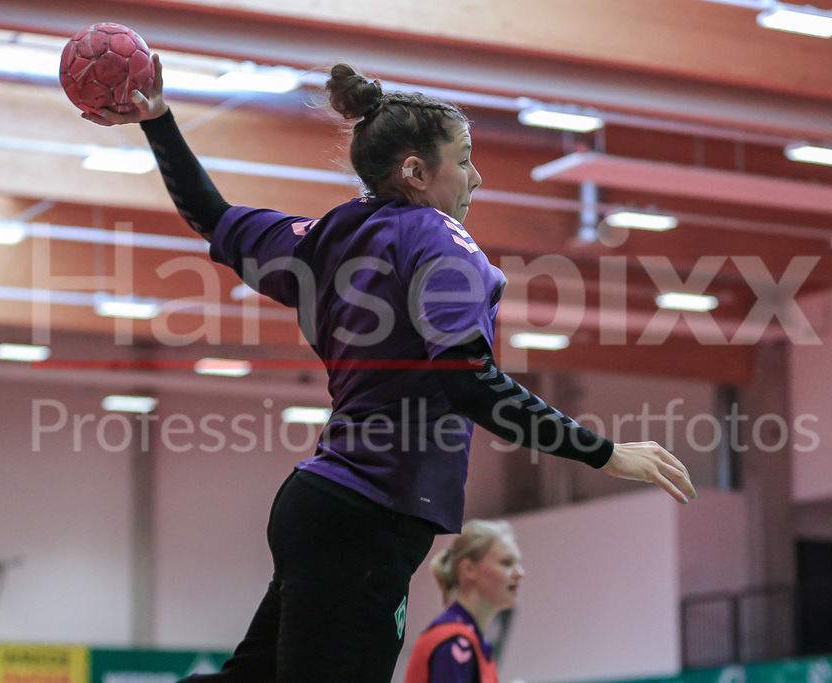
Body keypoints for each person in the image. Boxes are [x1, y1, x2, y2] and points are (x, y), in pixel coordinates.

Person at [83, 56, 696, 682]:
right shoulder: (438, 240)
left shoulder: (328, 235)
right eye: (463, 160)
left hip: (325, 508)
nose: (476, 177)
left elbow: (210, 216)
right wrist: (604, 453)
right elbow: (469, 380)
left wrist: (159, 123)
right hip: (365, 516)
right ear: (415, 171)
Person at [405, 520, 523, 683]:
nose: (520, 573)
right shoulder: (455, 643)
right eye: (506, 563)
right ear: (468, 569)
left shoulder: (472, 642)